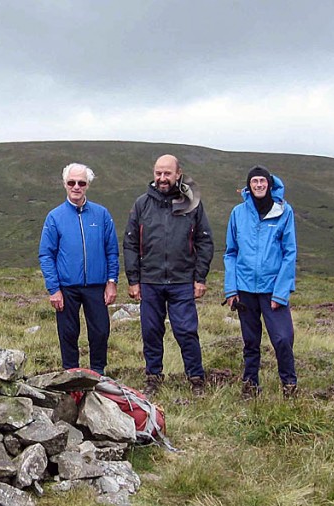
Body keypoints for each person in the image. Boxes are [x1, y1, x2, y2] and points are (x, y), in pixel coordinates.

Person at [123, 154, 214, 396]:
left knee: (186, 331)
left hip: (182, 280)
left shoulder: (191, 203)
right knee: (151, 332)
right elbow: (130, 243)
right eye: (158, 173)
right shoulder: (142, 204)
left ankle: (196, 379)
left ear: (178, 174)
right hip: (150, 281)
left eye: (167, 173)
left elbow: (204, 241)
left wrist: (200, 278)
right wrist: (134, 280)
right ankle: (153, 377)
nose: (162, 178)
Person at [223, 166, 298, 398]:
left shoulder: (284, 211)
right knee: (250, 341)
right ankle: (250, 385)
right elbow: (231, 252)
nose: (258, 185)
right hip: (245, 289)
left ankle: (289, 385)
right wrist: (230, 288)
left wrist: (281, 293)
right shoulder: (238, 213)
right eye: (254, 181)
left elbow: (289, 253)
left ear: (269, 184)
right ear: (249, 185)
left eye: (262, 181)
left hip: (273, 289)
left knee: (282, 339)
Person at [38, 163, 120, 375]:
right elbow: (46, 254)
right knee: (68, 333)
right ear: (65, 184)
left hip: (97, 286)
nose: (76, 187)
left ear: (87, 185)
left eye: (81, 183)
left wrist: (112, 282)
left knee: (100, 332)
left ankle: (98, 374)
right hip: (66, 287)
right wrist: (53, 289)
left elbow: (112, 250)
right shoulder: (54, 217)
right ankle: (71, 375)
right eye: (71, 182)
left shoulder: (102, 215)